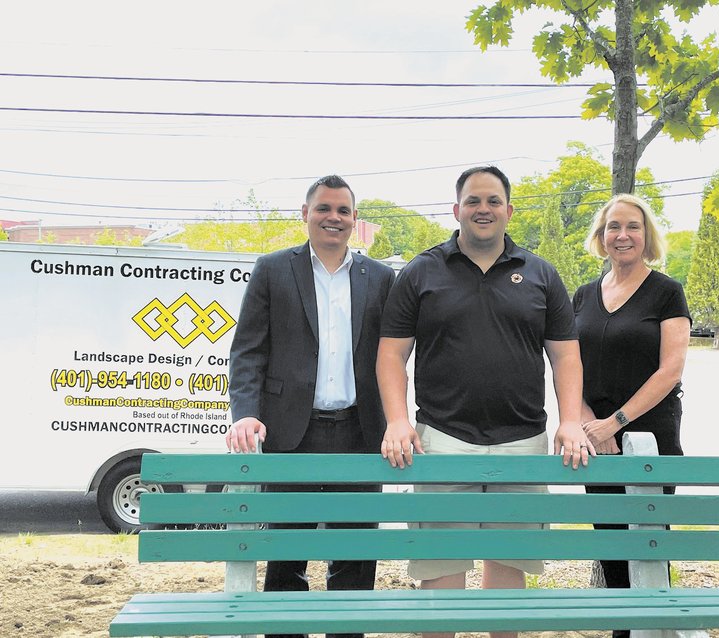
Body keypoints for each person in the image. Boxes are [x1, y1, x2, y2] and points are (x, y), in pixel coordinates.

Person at [377, 165, 592, 638]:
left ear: (509, 211)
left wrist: (571, 421)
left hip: (524, 442)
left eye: (493, 201)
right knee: (439, 573)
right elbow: (391, 355)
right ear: (456, 210)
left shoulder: (541, 274)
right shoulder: (420, 271)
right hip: (444, 439)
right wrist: (396, 421)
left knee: (508, 574)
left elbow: (566, 357)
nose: (483, 209)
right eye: (473, 201)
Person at [225, 175, 395, 638]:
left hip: (360, 434)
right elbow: (247, 352)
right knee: (285, 554)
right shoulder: (272, 269)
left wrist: (398, 420)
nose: (333, 218)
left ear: (355, 220)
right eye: (324, 208)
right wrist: (244, 412)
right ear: (305, 214)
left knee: (356, 557)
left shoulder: (380, 278)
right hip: (288, 434)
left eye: (343, 210)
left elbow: (394, 354)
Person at [572, 193, 691, 638]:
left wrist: (614, 423)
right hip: (594, 441)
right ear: (601, 238)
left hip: (650, 439)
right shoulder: (583, 295)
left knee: (647, 544)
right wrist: (589, 425)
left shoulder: (666, 292)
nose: (622, 235)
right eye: (613, 227)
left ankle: (651, 629)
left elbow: (670, 370)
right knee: (610, 542)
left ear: (647, 237)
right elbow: (569, 367)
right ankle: (625, 630)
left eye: (633, 227)